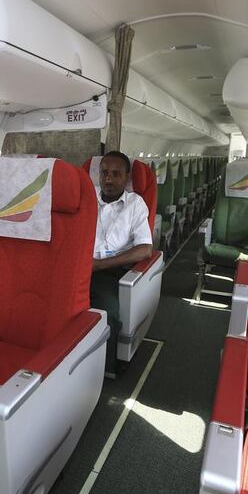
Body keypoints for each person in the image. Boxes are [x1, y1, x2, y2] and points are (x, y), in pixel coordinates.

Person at [90, 151, 153, 375]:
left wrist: (99, 265)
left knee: (108, 312)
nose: (109, 179)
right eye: (104, 173)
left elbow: (145, 248)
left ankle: (105, 368)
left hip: (113, 272)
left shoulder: (135, 204)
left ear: (127, 178)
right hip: (81, 267)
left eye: (116, 174)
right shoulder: (86, 197)